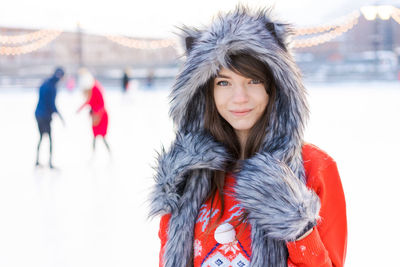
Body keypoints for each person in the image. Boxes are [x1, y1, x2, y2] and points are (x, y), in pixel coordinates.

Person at [149, 6, 347, 267]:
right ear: (205, 91)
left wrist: (296, 225)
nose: (239, 97)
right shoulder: (187, 173)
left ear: (274, 86)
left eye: (253, 80)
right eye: (223, 82)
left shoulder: (316, 167)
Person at [34, 67, 65, 168]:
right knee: (49, 138)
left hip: (38, 114)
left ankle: (37, 160)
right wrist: (60, 116)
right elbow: (51, 104)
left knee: (41, 137)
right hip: (44, 115)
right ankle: (50, 162)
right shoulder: (52, 87)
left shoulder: (45, 83)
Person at [77, 68, 110, 153]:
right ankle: (94, 154)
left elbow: (101, 104)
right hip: (96, 115)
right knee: (95, 136)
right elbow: (89, 101)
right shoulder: (91, 89)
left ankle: (108, 154)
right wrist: (81, 109)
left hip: (101, 116)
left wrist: (96, 113)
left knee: (102, 137)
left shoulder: (95, 88)